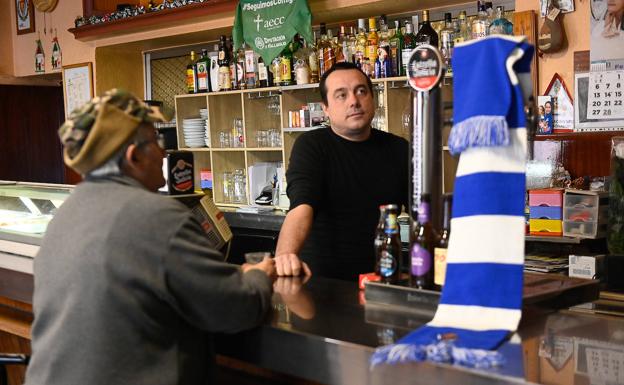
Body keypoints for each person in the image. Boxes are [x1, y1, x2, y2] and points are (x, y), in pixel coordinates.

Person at [25, 89, 276, 385]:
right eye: (156, 141)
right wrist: (259, 277)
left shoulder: (67, 211)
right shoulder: (157, 215)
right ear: (134, 156)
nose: (163, 152)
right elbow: (234, 309)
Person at [274, 62, 409, 281]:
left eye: (361, 91)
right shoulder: (312, 145)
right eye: (341, 95)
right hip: (323, 282)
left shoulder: (399, 148)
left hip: (381, 279)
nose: (354, 101)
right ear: (325, 107)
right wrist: (285, 255)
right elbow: (301, 206)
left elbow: (424, 212)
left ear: (372, 99)